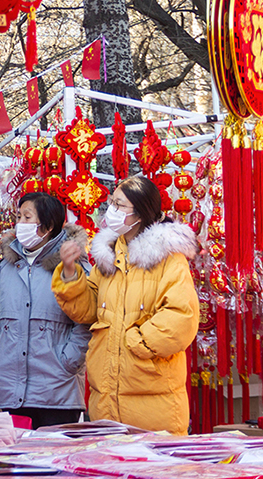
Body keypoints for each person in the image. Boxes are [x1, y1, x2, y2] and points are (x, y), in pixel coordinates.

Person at [54, 175, 199, 435]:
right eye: (112, 203)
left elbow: (182, 316)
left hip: (154, 403)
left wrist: (137, 341)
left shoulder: (169, 259)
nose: (112, 210)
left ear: (140, 214)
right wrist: (69, 273)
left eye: (120, 205)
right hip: (105, 400)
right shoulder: (110, 256)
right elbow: (87, 310)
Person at [0, 192, 91, 428]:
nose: (19, 223)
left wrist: (69, 361)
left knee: (51, 460)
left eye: (26, 217)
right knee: (12, 461)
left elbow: (86, 318)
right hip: (7, 384)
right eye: (18, 216)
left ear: (47, 226)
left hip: (56, 388)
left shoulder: (73, 264)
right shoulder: (7, 266)